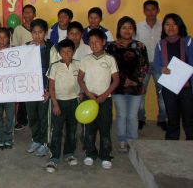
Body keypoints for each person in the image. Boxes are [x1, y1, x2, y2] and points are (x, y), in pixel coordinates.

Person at [78, 29, 119, 169]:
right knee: (89, 128)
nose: (94, 45)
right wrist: (88, 93)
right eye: (91, 42)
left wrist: (105, 94)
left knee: (105, 128)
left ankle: (106, 155)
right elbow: (80, 79)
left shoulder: (110, 59)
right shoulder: (85, 60)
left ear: (104, 42)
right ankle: (90, 153)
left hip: (104, 99)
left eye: (97, 42)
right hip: (89, 99)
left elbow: (116, 81)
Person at [106, 16, 149, 152]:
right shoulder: (111, 46)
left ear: (134, 30)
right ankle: (122, 140)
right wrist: (124, 81)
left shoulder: (140, 46)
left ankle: (133, 140)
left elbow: (145, 66)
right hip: (118, 87)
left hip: (136, 87)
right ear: (119, 29)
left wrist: (135, 81)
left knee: (132, 115)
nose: (127, 30)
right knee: (121, 115)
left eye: (130, 27)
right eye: (124, 27)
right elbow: (109, 67)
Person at [153, 13, 193, 140]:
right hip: (169, 87)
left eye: (174, 24)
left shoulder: (188, 41)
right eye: (167, 24)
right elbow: (156, 63)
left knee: (189, 118)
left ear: (179, 26)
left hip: (187, 87)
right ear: (163, 27)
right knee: (172, 118)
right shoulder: (160, 44)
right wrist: (161, 69)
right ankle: (172, 143)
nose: (170, 27)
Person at [45, 39, 80, 173]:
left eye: (69, 51)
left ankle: (69, 153)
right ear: (59, 53)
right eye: (63, 52)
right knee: (57, 131)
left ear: (73, 51)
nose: (66, 54)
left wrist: (81, 93)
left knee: (72, 129)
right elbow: (51, 87)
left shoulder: (78, 65)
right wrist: (55, 104)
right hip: (58, 102)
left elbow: (82, 81)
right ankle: (54, 158)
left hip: (73, 102)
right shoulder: (54, 66)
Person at [136, 0, 167, 131]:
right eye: (147, 9)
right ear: (144, 11)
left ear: (158, 10)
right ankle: (140, 119)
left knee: (162, 94)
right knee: (140, 93)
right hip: (142, 64)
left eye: (153, 9)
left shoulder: (164, 26)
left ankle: (162, 119)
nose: (150, 12)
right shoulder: (138, 26)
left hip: (160, 64)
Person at [25, 18, 52, 157]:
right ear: (31, 33)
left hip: (44, 90)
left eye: (40, 32)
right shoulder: (25, 48)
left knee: (43, 117)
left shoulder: (51, 48)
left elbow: (54, 70)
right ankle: (36, 140)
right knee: (32, 116)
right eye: (34, 32)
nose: (37, 35)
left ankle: (45, 143)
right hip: (30, 89)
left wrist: (49, 90)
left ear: (45, 33)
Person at [12, 4, 36, 130]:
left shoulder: (38, 28)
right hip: (23, 65)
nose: (27, 15)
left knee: (34, 90)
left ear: (34, 14)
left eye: (30, 12)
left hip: (36, 66)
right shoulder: (18, 29)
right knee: (23, 92)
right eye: (25, 12)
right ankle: (21, 119)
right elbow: (15, 47)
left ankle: (34, 119)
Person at [0, 27, 15, 150]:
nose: (2, 39)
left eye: (4, 37)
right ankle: (0, 139)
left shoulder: (15, 52)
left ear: (9, 39)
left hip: (10, 90)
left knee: (10, 116)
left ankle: (8, 138)